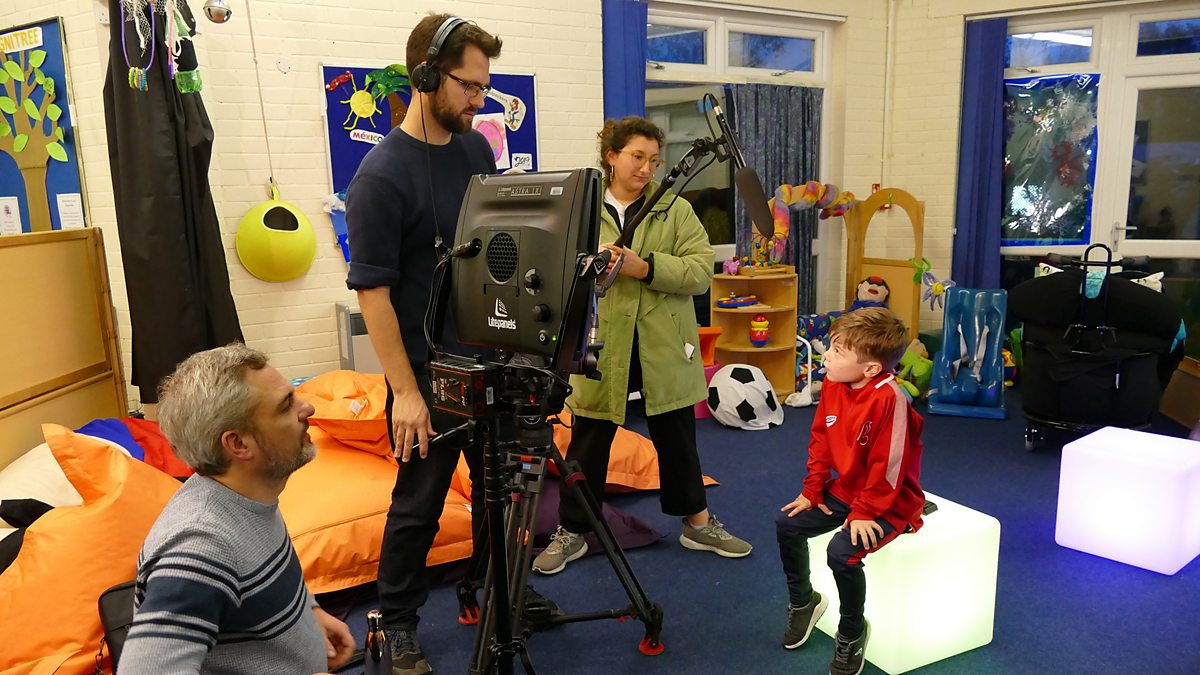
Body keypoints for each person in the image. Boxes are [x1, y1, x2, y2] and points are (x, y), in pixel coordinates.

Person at [343, 12, 502, 675]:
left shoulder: (476, 153)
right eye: (469, 86)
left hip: (487, 358)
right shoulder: (380, 178)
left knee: (499, 491)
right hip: (426, 375)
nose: (479, 101)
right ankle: (399, 620)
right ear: (428, 77)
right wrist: (404, 392)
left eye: (484, 87)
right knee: (419, 505)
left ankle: (498, 593)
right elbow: (372, 295)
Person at [532, 116, 752, 576]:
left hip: (662, 344)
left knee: (677, 438)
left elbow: (700, 272)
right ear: (611, 156)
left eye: (655, 160)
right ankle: (573, 530)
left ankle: (698, 524)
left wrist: (645, 267)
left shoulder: (675, 209)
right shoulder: (580, 208)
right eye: (637, 157)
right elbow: (551, 267)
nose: (647, 168)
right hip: (601, 344)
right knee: (588, 443)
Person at [120, 343, 355, 674]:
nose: (308, 408)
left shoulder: (250, 492)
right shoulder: (200, 547)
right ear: (238, 444)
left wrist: (309, 612)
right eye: (286, 406)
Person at [775, 307, 925, 675]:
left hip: (889, 501)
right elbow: (821, 438)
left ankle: (852, 631)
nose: (826, 356)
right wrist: (813, 489)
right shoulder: (833, 383)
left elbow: (889, 468)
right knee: (788, 524)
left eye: (837, 352)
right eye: (830, 347)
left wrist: (864, 512)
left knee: (841, 552)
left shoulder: (890, 399)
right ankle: (805, 602)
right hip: (846, 491)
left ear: (870, 368)